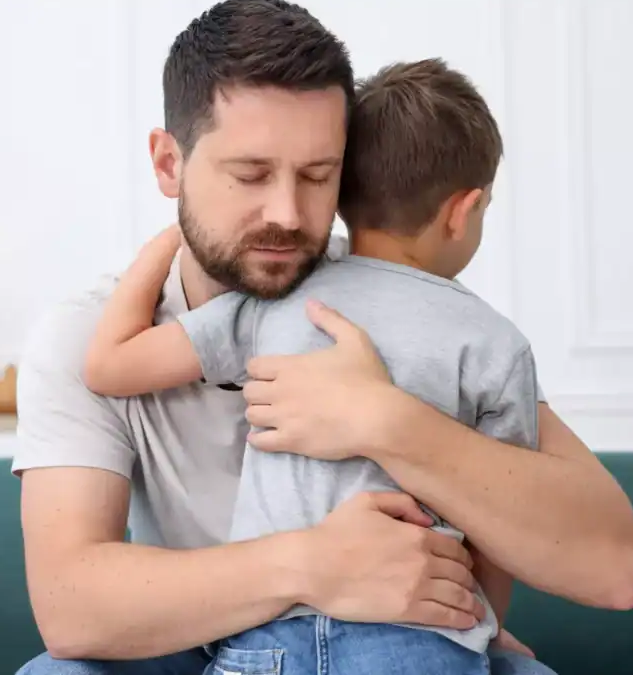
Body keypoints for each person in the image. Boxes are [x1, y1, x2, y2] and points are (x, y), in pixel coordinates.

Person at [12, 0, 633, 675]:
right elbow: (71, 607)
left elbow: (613, 570)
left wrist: (384, 420)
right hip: (196, 643)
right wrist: (314, 565)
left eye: (319, 176)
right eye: (251, 174)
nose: (287, 214)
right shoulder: (83, 334)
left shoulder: (395, 311)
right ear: (170, 164)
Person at [84, 58, 540, 674]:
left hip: (266, 639)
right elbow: (501, 526)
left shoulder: (278, 304)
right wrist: (484, 622)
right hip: (416, 642)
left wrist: (169, 241)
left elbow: (110, 366)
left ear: (341, 191)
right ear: (465, 210)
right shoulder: (496, 345)